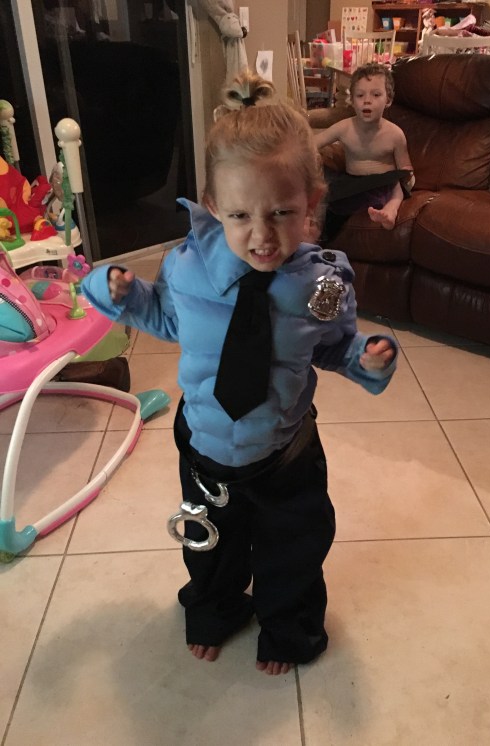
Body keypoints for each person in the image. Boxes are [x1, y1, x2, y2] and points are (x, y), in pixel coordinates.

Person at [81, 70, 398, 676]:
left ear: (312, 201)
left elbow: (333, 347)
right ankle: (214, 611)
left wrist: (364, 358)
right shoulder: (188, 269)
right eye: (240, 215)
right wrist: (119, 293)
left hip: (285, 453)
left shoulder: (324, 284)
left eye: (282, 212)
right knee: (210, 546)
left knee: (294, 550)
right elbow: (166, 319)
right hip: (206, 447)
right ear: (212, 207)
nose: (262, 235)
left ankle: (287, 630)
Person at [314, 62, 413, 237]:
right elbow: (312, 144)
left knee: (397, 184)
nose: (367, 100)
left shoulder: (395, 134)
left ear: (388, 100)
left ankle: (390, 211)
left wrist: (409, 178)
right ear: (352, 100)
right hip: (354, 184)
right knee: (330, 198)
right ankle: (320, 234)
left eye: (376, 94)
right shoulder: (344, 128)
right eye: (360, 95)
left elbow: (405, 166)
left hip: (383, 183)